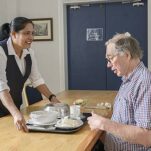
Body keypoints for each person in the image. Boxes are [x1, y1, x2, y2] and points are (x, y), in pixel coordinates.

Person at [88, 32, 151, 151]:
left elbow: (147, 137)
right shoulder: (128, 79)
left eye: (110, 58)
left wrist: (105, 124)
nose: (108, 64)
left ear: (127, 55)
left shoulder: (144, 81)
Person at [0, 17, 60, 132]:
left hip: (14, 108)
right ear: (13, 34)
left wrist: (53, 98)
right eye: (27, 33)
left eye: (32, 33)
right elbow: (1, 85)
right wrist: (16, 113)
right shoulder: (1, 51)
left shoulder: (29, 53)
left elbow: (36, 79)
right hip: (9, 110)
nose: (31, 37)